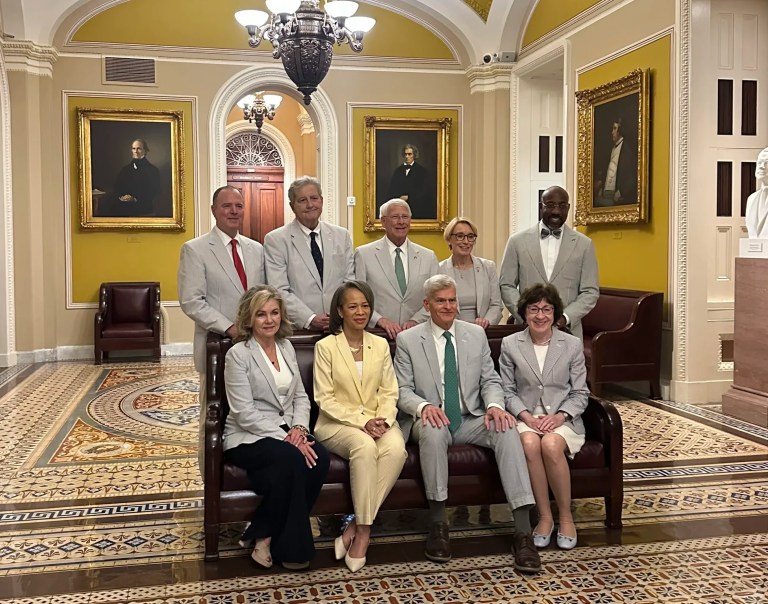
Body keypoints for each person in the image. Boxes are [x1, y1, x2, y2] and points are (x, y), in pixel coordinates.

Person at [393, 274, 541, 572]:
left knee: (507, 427)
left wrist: (496, 406)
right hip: (432, 417)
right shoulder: (408, 339)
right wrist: (423, 407)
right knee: (433, 431)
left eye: (452, 300)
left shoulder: (474, 335)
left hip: (471, 416)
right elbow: (402, 390)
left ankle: (522, 531)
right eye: (440, 301)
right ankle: (438, 525)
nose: (448, 306)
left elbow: (490, 380)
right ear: (427, 305)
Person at [223, 286, 330, 570]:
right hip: (247, 436)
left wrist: (299, 430)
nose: (269, 320)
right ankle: (294, 549)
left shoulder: (286, 347)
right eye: (261, 314)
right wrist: (287, 437)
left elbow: (300, 397)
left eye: (274, 313)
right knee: (292, 459)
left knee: (321, 459)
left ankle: (264, 533)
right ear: (249, 319)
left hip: (287, 430)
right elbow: (243, 413)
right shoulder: (238, 355)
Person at [313, 281, 407, 572]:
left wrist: (382, 420)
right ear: (340, 311)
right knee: (364, 447)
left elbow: (390, 391)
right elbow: (324, 398)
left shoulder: (379, 344)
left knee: (396, 449)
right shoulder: (325, 347)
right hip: (336, 424)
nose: (360, 311)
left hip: (379, 420)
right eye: (353, 306)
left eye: (365, 305)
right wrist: (362, 422)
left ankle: (355, 524)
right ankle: (365, 534)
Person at [178, 185, 267, 471]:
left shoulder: (256, 249)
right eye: (227, 206)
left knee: (250, 411)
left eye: (238, 206)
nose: (233, 211)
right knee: (215, 413)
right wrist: (229, 327)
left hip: (255, 346)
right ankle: (212, 479)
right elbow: (191, 301)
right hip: (219, 345)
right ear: (214, 209)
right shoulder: (195, 249)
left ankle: (247, 473)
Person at [499, 283, 589, 551]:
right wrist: (525, 415)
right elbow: (506, 390)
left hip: (562, 418)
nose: (540, 315)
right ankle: (545, 517)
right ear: (524, 313)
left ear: (555, 313)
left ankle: (565, 516)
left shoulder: (571, 344)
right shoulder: (510, 344)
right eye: (534, 309)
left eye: (546, 309)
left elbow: (581, 393)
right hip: (525, 417)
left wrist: (561, 417)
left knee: (550, 445)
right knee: (529, 444)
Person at [499, 186, 599, 339]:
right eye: (551, 205)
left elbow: (590, 291)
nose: (556, 211)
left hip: (568, 333)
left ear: (569, 208)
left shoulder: (584, 244)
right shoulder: (516, 241)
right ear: (541, 206)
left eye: (562, 206)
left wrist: (565, 317)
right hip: (525, 331)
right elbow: (506, 285)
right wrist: (525, 314)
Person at [264, 176, 354, 330]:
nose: (310, 204)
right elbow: (278, 290)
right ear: (292, 206)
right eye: (302, 200)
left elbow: (349, 281)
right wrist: (310, 318)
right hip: (299, 330)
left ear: (322, 201)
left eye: (314, 198)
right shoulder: (276, 240)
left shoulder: (342, 236)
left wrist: (339, 313)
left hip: (340, 325)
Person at [354, 199, 439, 339]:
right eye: (395, 217)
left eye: (405, 217)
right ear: (383, 221)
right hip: (377, 335)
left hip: (418, 334)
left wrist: (415, 320)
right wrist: (379, 320)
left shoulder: (428, 257)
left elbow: (436, 297)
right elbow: (357, 297)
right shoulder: (363, 254)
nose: (401, 222)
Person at [438, 217, 503, 328]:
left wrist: (486, 321)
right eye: (460, 236)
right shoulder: (439, 270)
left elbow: (496, 305)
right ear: (449, 239)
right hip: (450, 329)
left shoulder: (488, 267)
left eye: (470, 237)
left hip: (483, 331)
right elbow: (436, 307)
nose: (466, 241)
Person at [103, 139, 161, 216]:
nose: (136, 151)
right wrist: (122, 197)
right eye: (134, 148)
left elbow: (154, 191)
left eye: (139, 148)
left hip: (143, 208)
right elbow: (117, 188)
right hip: (124, 206)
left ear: (145, 151)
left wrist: (135, 198)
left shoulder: (153, 170)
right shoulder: (125, 169)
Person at [593, 118, 636, 207]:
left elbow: (631, 174)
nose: (612, 132)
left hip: (617, 194)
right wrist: (602, 188)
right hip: (606, 192)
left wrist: (621, 191)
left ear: (621, 130)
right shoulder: (611, 148)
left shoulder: (627, 149)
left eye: (615, 128)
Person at [387, 144, 435, 219]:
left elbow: (425, 192)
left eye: (409, 154)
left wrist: (409, 197)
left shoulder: (422, 171)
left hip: (416, 208)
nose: (407, 156)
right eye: (405, 154)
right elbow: (391, 189)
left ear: (414, 155)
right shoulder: (398, 171)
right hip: (399, 209)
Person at [745, 146, 768, 238]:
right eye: (759, 162)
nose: (761, 167)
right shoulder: (751, 199)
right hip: (753, 250)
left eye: (766, 163)